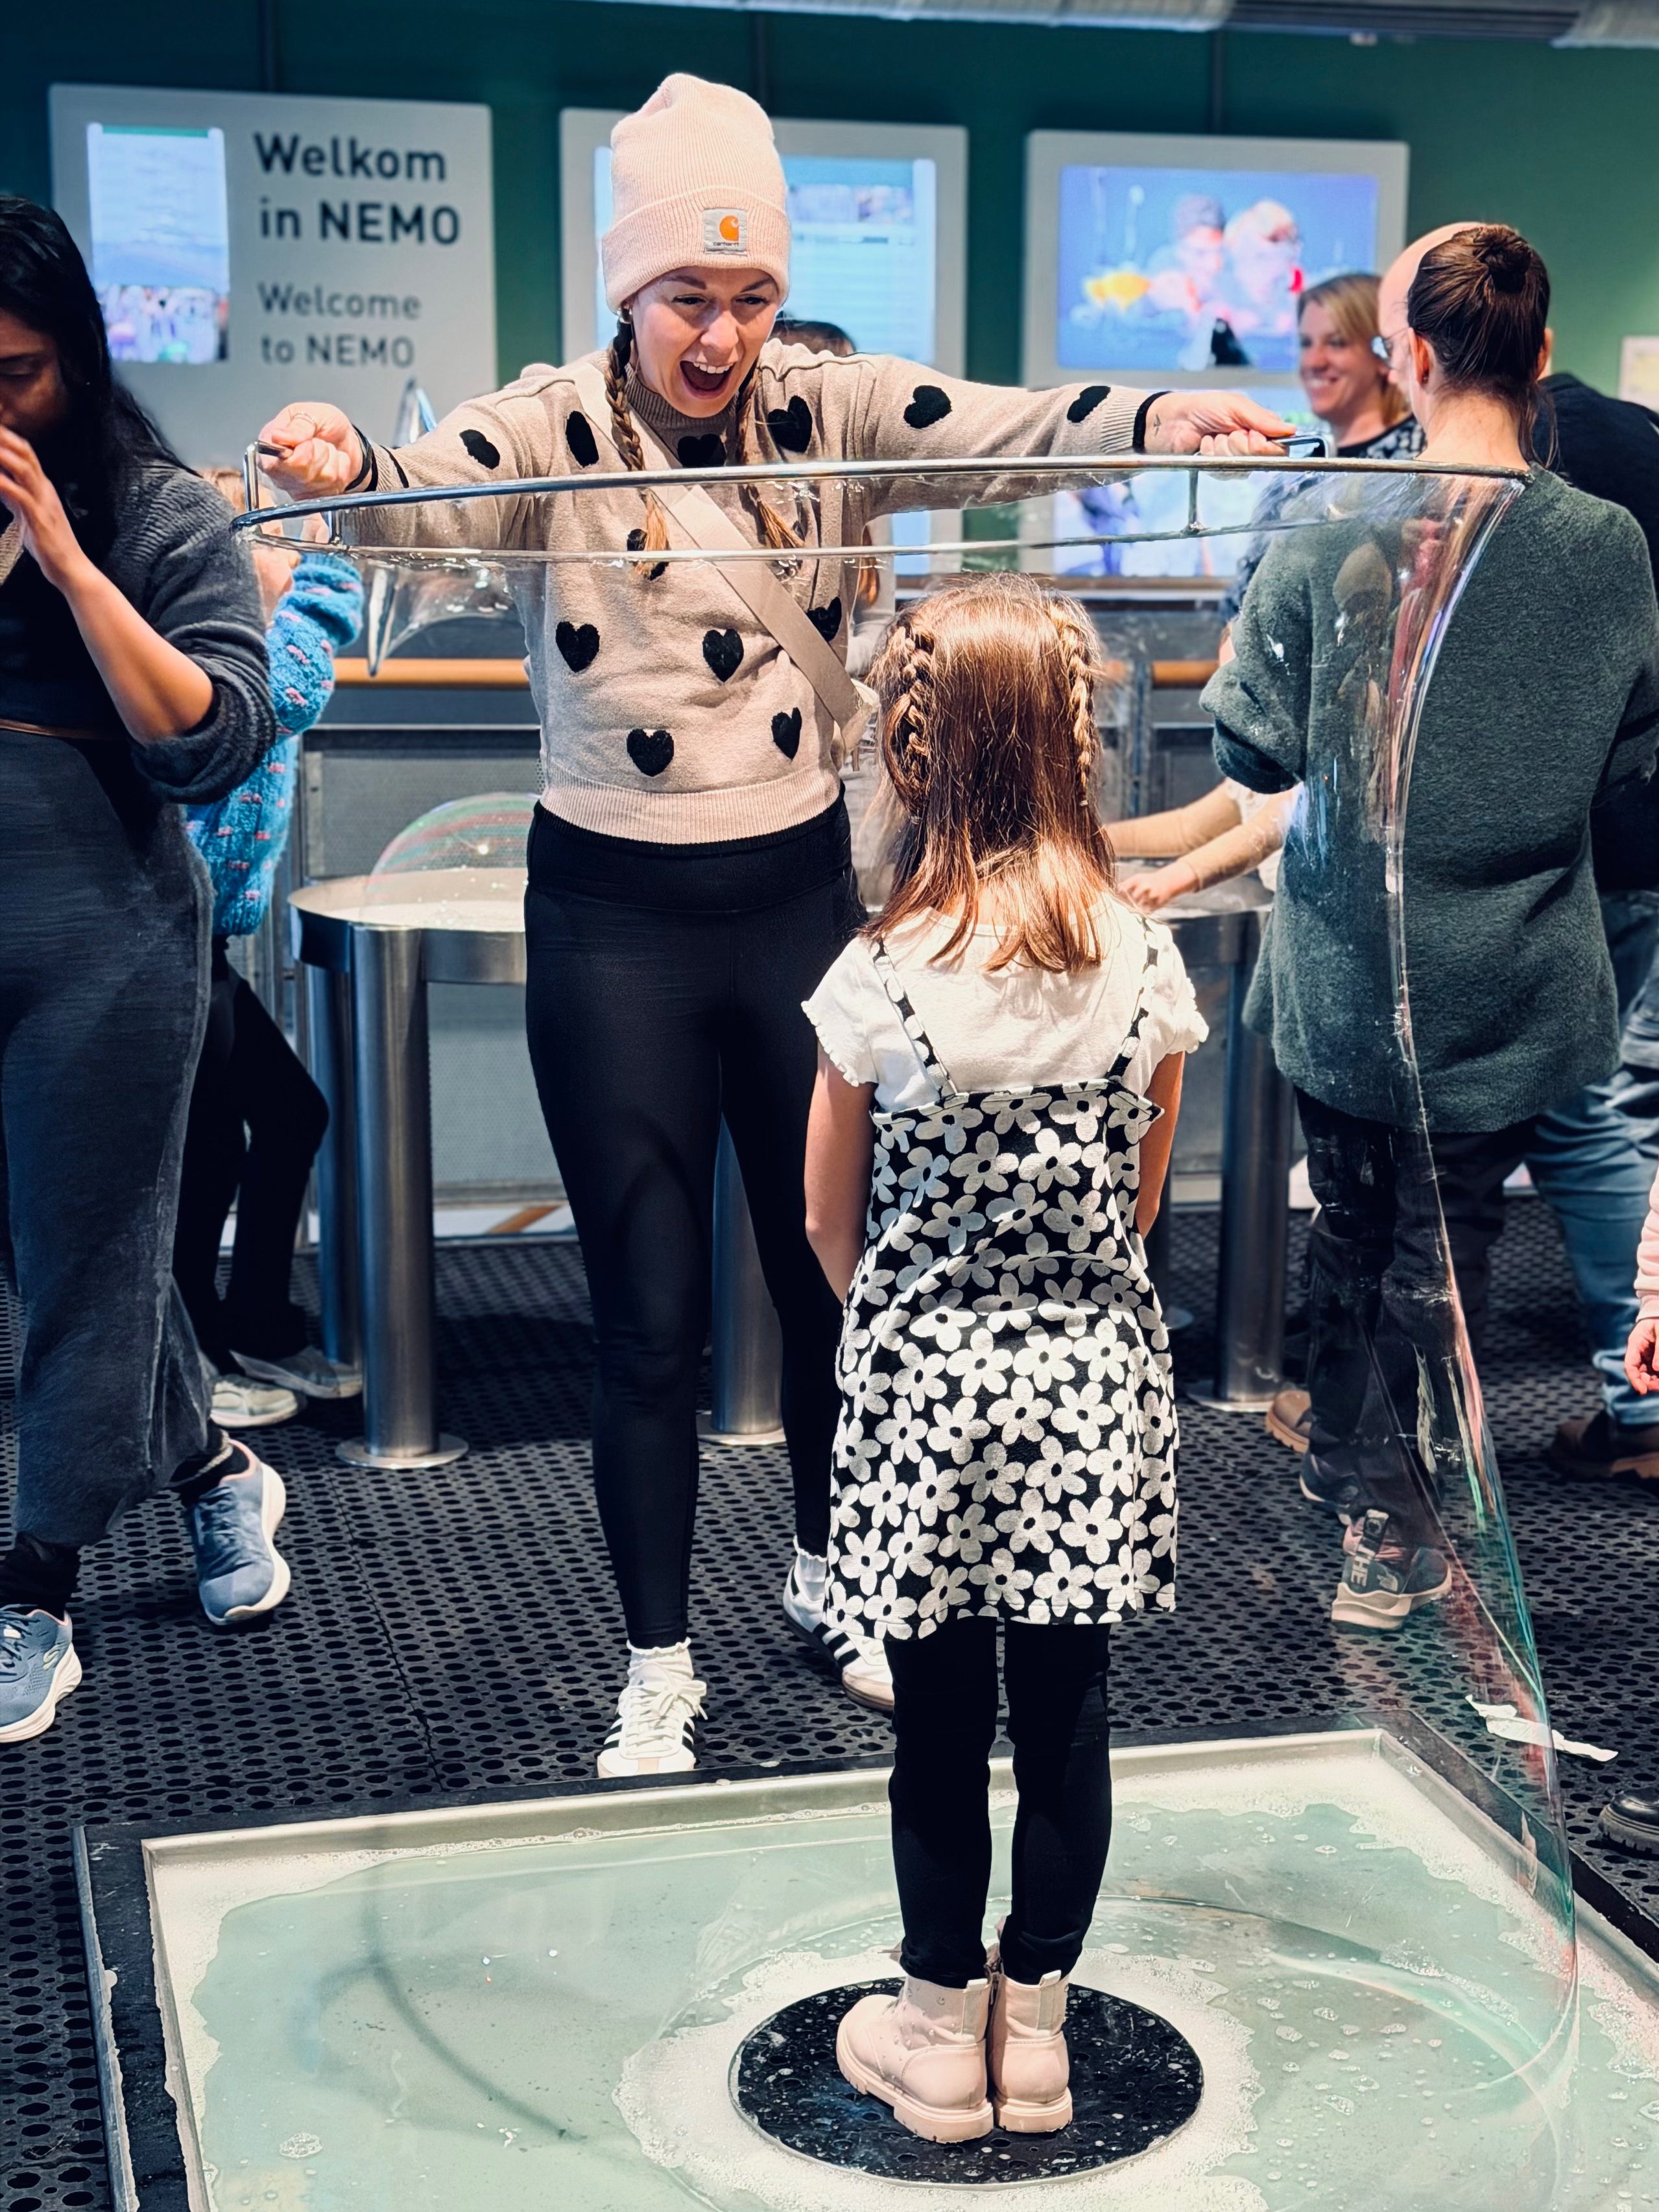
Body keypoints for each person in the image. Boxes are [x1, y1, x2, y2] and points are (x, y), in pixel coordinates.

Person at [256, 75, 1290, 1778]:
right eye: (686, 296)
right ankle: (654, 1658)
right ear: (622, 287)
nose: (721, 332)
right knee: (648, 1318)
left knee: (833, 1291)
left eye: (746, 294)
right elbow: (414, 500)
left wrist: (1165, 414)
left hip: (797, 905)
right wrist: (335, 458)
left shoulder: (829, 408)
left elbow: (1012, 427)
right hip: (614, 921)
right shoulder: (548, 427)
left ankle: (832, 1577)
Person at [1207, 224, 1659, 1630]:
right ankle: (1388, 1516)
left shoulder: (1328, 529)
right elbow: (1624, 753)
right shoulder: (1607, 548)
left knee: (1350, 1231)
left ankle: (1368, 1510)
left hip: (1347, 963)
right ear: (1536, 354)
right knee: (1446, 1247)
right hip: (1517, 969)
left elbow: (1256, 764)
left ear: (1404, 357)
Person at [802, 576, 1203, 2141]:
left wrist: (906, 1313)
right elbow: (1147, 1196)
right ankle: (1033, 2036)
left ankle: (927, 2031)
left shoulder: (878, 973)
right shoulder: (1141, 962)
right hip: (1092, 1376)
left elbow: (826, 1214)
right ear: (1072, 742)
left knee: (936, 1720)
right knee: (1069, 1714)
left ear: (915, 754)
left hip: (922, 1386)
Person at [0, 198, 290, 1746]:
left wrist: (62, 552)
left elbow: (211, 740)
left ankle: (34, 1586)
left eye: (20, 372)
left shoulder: (156, 508)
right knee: (56, 1257)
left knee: (95, 1256)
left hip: (106, 938)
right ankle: (214, 1473)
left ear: (80, 359)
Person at [173, 481, 363, 1429]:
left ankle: (249, 1317)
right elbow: (287, 693)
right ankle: (191, 1360)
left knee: (287, 1115)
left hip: (190, 933)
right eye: (275, 539)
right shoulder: (207, 643)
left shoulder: (234, 632)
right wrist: (333, 559)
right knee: (204, 1152)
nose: (292, 552)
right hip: (156, 931)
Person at [1221, 272, 1423, 630]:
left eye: (1337, 343)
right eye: (1305, 343)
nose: (1314, 361)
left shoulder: (1417, 463)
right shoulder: (1299, 470)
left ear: (1382, 354)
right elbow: (1243, 600)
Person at [1110, 780, 1296, 914]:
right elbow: (1185, 829)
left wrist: (1166, 881)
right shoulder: (1253, 768)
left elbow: (1261, 835)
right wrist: (1095, 838)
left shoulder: (1312, 770)